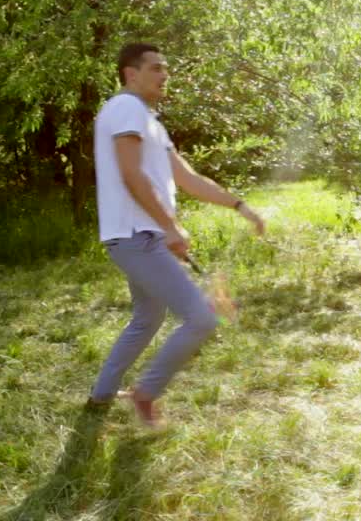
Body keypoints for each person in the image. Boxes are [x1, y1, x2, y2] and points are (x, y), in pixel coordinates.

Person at [88, 42, 265, 426]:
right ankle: (146, 393)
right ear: (130, 73)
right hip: (137, 235)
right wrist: (169, 228)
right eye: (156, 68)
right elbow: (131, 175)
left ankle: (101, 396)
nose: (164, 74)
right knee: (201, 317)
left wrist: (239, 206)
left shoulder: (149, 121)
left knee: (147, 317)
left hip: (142, 235)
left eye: (166, 67)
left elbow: (187, 178)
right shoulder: (125, 108)